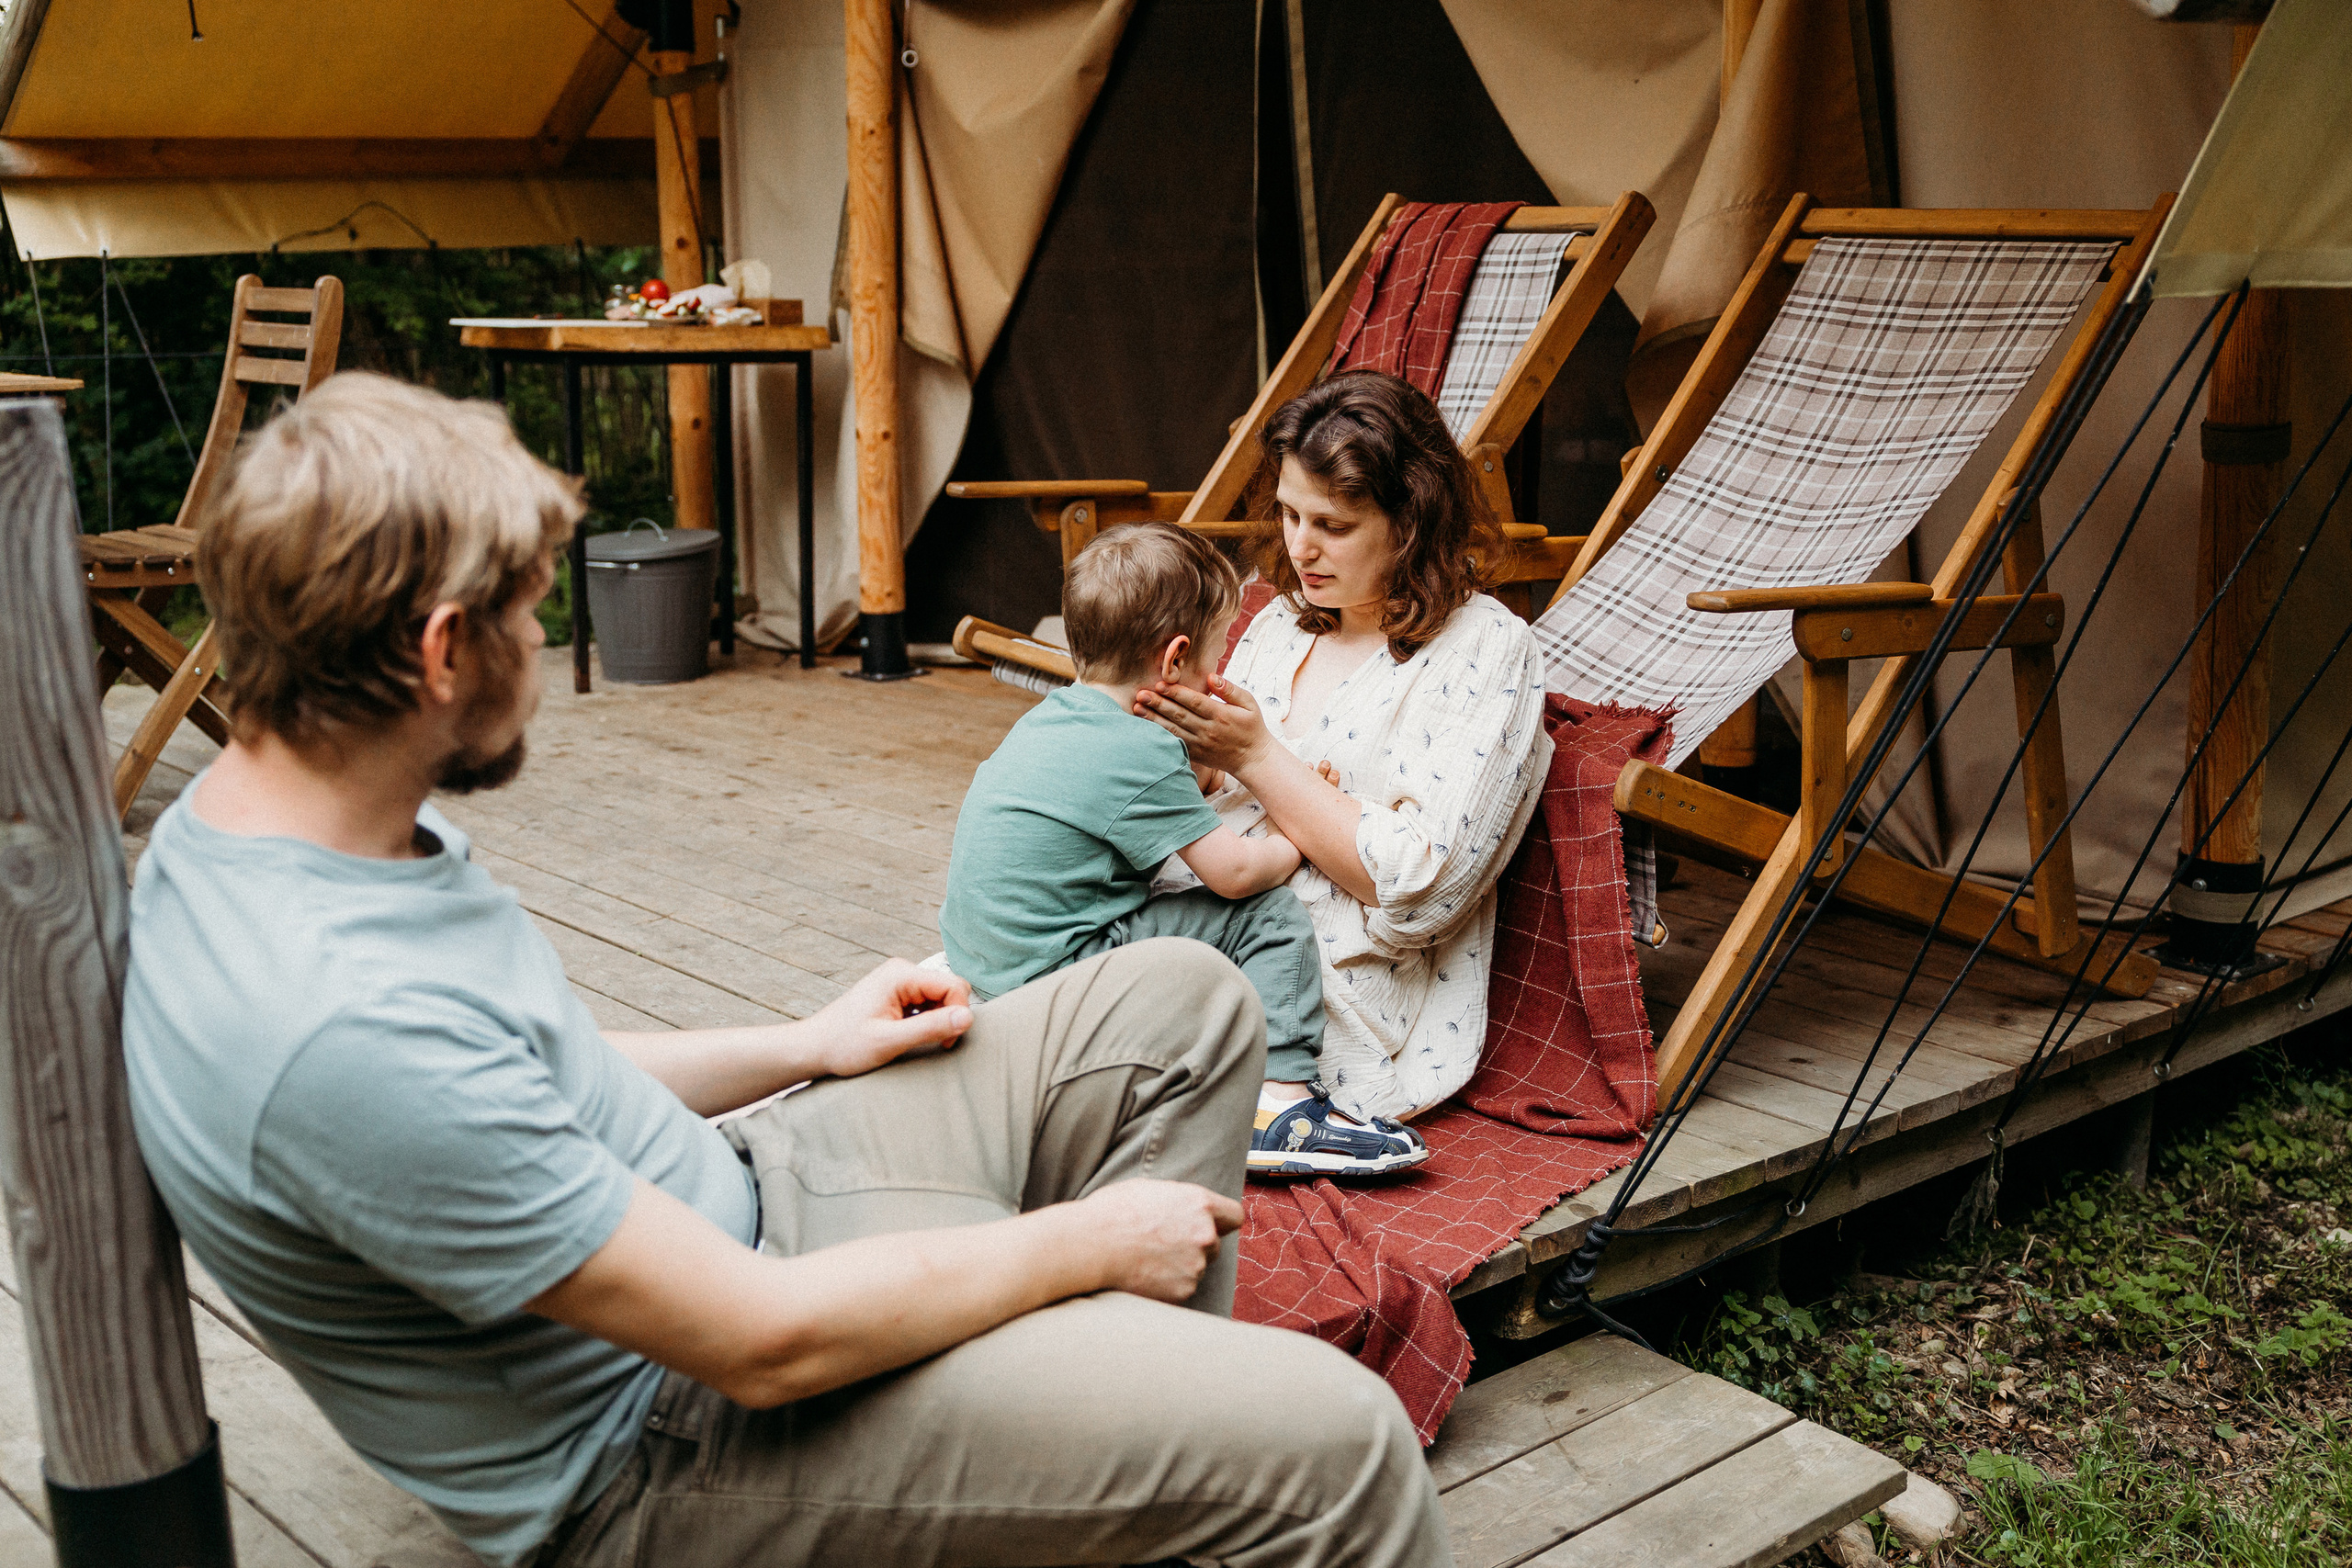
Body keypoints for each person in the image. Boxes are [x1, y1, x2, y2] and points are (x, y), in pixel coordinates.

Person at [119, 373, 1447, 1568]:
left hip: (750, 1197)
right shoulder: (331, 1022)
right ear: (441, 649)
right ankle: (1188, 1453)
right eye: (534, 617)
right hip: (677, 1435)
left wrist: (806, 1044)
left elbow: (531, 1074)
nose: (544, 647)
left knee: (1186, 1003)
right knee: (1343, 1443)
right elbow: (763, 1342)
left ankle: (1131, 1457)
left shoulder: (288, 813)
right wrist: (1081, 1243)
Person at [939, 522, 1428, 1179]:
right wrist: (1295, 838)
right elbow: (1233, 875)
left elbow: (1130, 802)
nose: (1215, 673)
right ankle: (1280, 1102)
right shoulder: (1139, 752)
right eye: (1213, 660)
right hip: (1060, 979)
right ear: (1173, 661)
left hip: (986, 971)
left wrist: (1199, 774)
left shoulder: (1052, 719)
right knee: (1270, 916)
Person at [1140, 369, 1553, 1125]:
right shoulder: (1280, 624)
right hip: (1180, 915)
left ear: (1411, 522)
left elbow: (1425, 891)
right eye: (1291, 514)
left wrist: (1261, 759)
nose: (1301, 546)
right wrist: (1189, 758)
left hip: (1316, 988)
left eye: (1333, 525)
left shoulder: (1489, 650)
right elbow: (1209, 793)